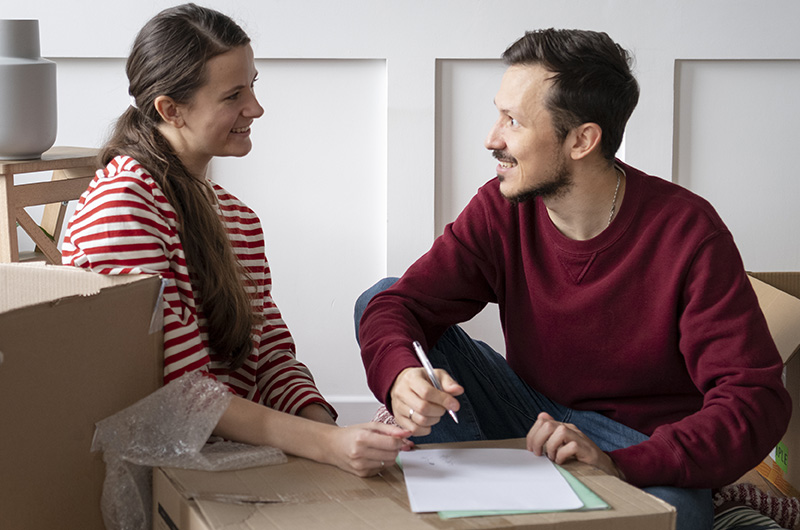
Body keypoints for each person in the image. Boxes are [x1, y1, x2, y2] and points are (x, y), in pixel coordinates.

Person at [355, 28, 791, 529]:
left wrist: (621, 464)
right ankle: (481, 499)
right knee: (379, 297)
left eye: (512, 121)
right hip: (532, 416)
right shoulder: (501, 209)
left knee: (680, 517)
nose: (491, 138)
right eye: (499, 114)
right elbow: (397, 307)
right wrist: (401, 375)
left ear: (582, 139)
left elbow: (754, 400)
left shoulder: (687, 232)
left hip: (637, 443)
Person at [63, 3, 411, 478]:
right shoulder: (122, 209)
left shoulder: (236, 219)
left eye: (254, 85)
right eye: (233, 95)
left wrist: (334, 430)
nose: (256, 108)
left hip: (230, 451)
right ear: (171, 109)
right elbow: (181, 393)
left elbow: (267, 354)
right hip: (160, 468)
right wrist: (328, 445)